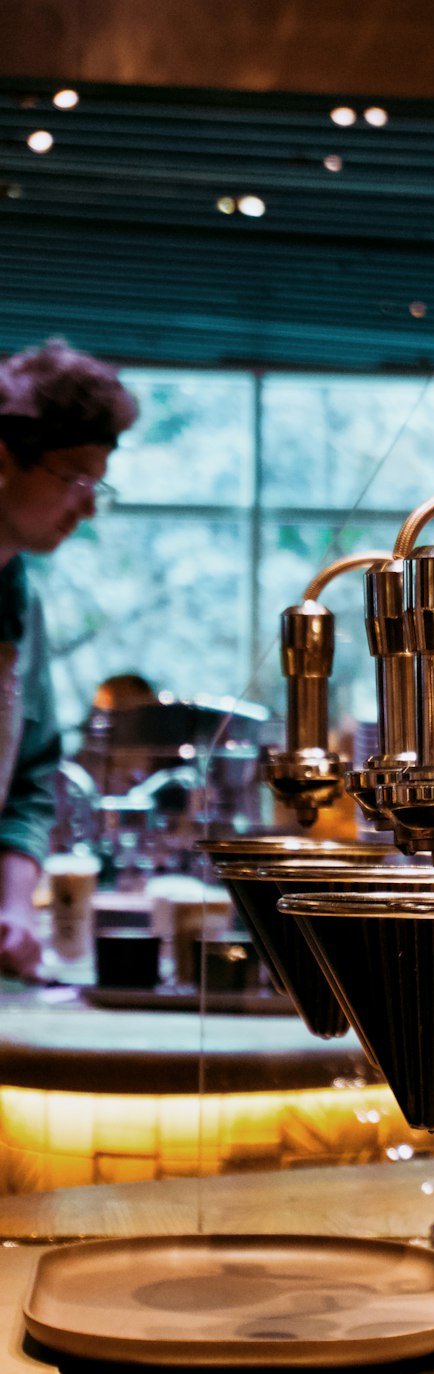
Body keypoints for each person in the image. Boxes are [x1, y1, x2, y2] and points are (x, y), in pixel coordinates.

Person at [0, 338, 138, 976]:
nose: (87, 506)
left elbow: (31, 775)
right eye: (76, 476)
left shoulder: (18, 600)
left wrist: (15, 908)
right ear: (5, 459)